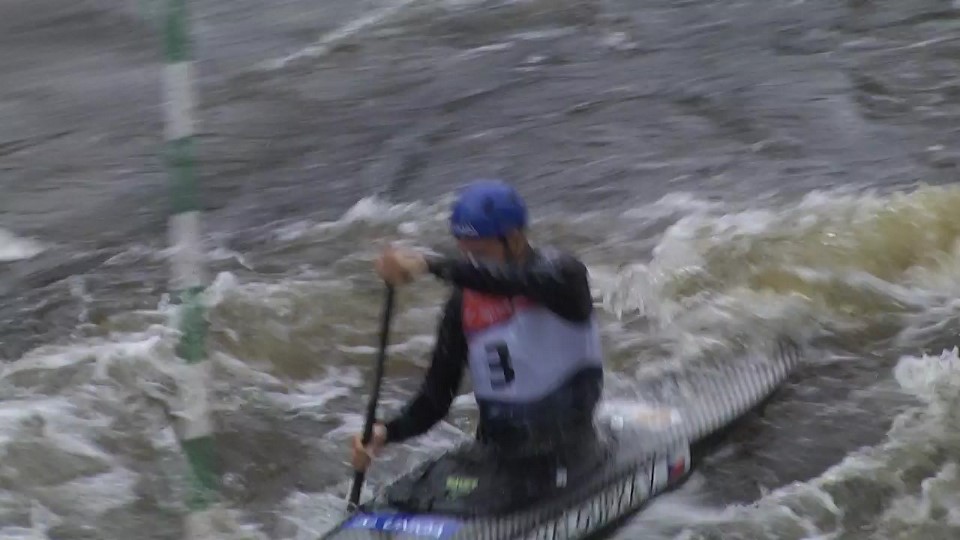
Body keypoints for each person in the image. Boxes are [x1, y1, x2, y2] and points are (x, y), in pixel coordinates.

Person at [350, 179, 605, 511]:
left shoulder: (562, 277)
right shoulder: (463, 304)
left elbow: (507, 281)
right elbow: (435, 399)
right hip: (496, 457)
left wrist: (429, 264)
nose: (472, 263)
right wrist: (386, 433)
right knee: (405, 500)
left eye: (481, 253)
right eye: (465, 253)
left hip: (567, 452)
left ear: (515, 239)